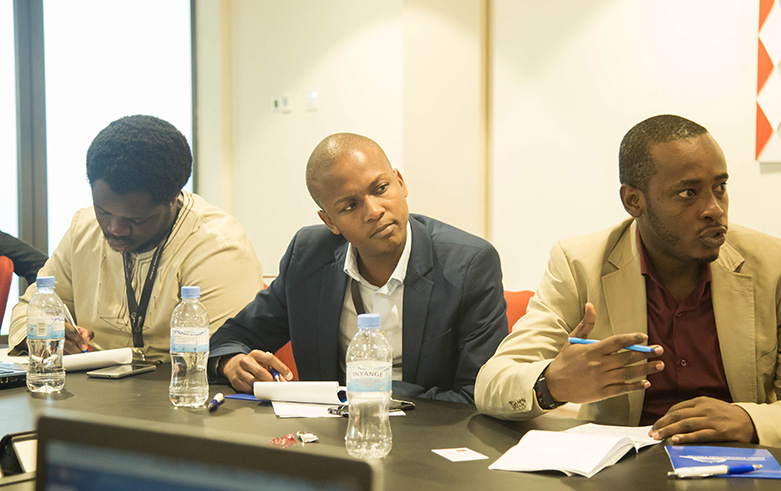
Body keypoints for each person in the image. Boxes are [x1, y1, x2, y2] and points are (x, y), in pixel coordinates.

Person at [474, 115, 781, 453]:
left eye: (720, 188)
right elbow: (493, 383)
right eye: (689, 193)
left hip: (739, 468)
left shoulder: (778, 266)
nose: (714, 208)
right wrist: (552, 383)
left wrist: (748, 420)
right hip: (623, 471)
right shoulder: (579, 264)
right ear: (634, 200)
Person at [209, 133, 508, 403]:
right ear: (329, 221)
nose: (374, 211)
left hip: (429, 441)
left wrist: (368, 394)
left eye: (380, 188)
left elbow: (477, 395)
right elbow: (231, 338)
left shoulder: (469, 265)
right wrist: (232, 363)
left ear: (400, 184)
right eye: (350, 206)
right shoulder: (309, 256)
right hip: (331, 441)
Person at [9, 115, 263, 362]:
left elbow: (223, 354)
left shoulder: (219, 248)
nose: (115, 229)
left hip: (175, 393)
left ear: (173, 198)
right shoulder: (83, 229)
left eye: (136, 220)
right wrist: (43, 336)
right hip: (88, 392)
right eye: (104, 211)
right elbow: (27, 310)